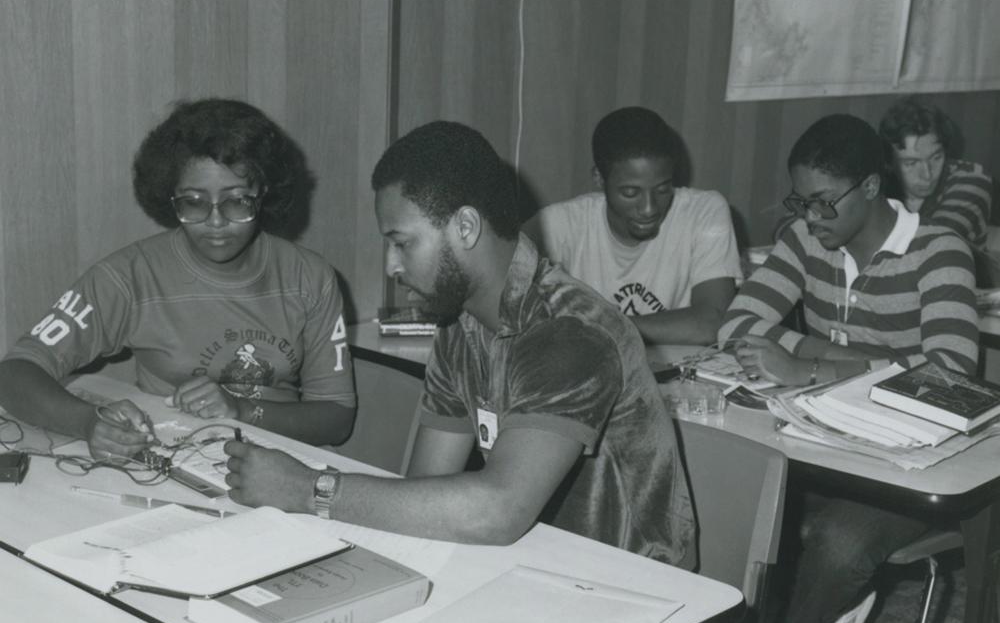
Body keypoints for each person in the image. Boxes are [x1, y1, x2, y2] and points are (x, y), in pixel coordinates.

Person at [223, 120, 696, 566]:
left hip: (629, 593)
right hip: (527, 569)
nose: (390, 265)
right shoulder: (460, 322)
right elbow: (428, 483)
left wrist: (309, 489)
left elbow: (498, 511)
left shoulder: (569, 331)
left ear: (465, 227)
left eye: (402, 243)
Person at [718, 114, 979, 623]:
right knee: (739, 490)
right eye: (801, 201)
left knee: (836, 541)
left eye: (822, 202)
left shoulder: (939, 251)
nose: (810, 217)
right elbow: (737, 326)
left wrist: (808, 366)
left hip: (915, 463)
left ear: (869, 186)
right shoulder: (804, 239)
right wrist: (835, 354)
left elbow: (950, 374)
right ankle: (830, 604)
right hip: (825, 445)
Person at [0, 98, 356, 461]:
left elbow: (336, 418)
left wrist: (241, 411)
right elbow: (14, 374)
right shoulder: (131, 276)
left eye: (237, 201)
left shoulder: (310, 277)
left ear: (262, 195)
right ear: (171, 200)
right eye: (194, 202)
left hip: (285, 465)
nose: (215, 223)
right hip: (177, 465)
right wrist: (89, 422)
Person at [523, 106, 741, 345]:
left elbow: (713, 322)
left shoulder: (705, 211)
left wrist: (604, 329)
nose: (649, 208)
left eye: (662, 189)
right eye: (630, 192)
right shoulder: (557, 224)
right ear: (599, 178)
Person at [879, 95, 996, 283]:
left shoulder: (973, 179)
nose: (926, 174)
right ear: (889, 164)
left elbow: (932, 244)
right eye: (911, 163)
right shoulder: (879, 187)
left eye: (936, 157)